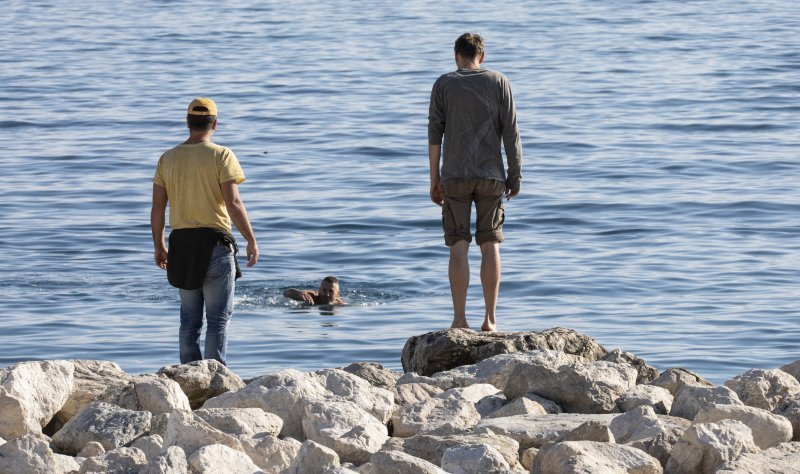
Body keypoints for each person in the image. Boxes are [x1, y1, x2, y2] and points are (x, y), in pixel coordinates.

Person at [151, 97, 259, 366]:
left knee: (189, 320)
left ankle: (190, 376)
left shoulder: (168, 158)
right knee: (218, 320)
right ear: (215, 124)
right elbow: (233, 203)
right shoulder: (222, 155)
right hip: (215, 244)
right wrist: (251, 239)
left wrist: (159, 246)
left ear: (188, 123)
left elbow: (156, 209)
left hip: (181, 246)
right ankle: (215, 381)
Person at [428, 33, 522, 332]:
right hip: (491, 176)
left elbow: (434, 136)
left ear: (456, 55)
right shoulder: (499, 81)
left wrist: (434, 179)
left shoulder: (444, 84)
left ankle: (459, 320)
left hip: (454, 176)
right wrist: (515, 174)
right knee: (490, 243)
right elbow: (511, 133)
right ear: (482, 55)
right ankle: (490, 320)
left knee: (458, 244)